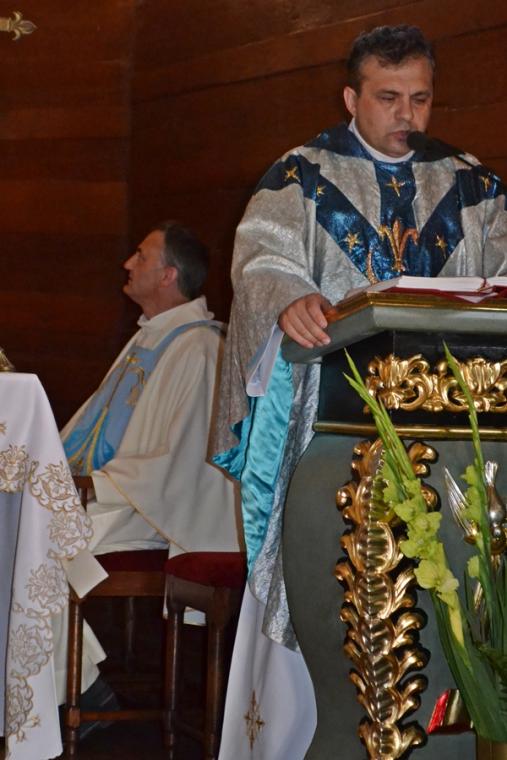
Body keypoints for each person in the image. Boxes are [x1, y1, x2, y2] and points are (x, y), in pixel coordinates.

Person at [213, 24, 507, 759]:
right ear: (350, 98)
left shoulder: (471, 184)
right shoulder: (300, 177)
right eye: (387, 98)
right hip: (337, 427)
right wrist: (286, 298)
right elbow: (262, 262)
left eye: (420, 98)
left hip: (462, 431)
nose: (407, 114)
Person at [53, 221, 240, 709]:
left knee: (33, 545)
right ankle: (74, 689)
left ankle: (84, 696)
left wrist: (94, 485)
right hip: (121, 498)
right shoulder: (151, 339)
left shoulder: (200, 348)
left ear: (168, 275)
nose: (127, 263)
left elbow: (185, 464)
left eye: (140, 256)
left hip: (154, 511)